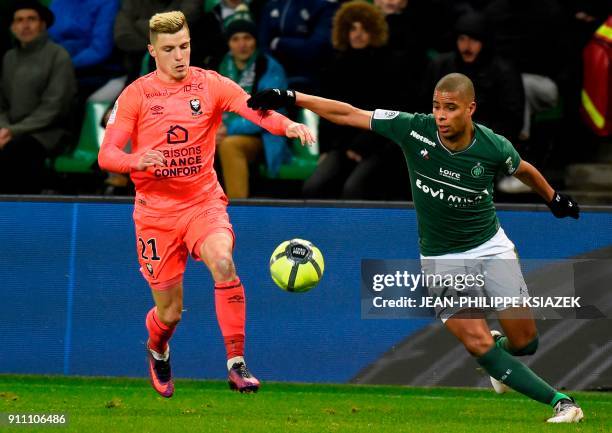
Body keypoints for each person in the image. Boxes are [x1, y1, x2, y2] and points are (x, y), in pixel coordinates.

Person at [246, 73, 584, 423]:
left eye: (450, 109)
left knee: (525, 343)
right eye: (436, 107)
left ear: (470, 109)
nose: (440, 116)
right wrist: (291, 96)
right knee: (476, 342)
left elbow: (524, 169)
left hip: (490, 247)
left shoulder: (493, 146)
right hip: (442, 258)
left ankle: (500, 362)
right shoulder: (413, 129)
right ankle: (561, 401)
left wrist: (554, 199)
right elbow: (349, 113)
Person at [97, 11, 314, 397]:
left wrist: (288, 125)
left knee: (224, 261)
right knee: (170, 313)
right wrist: (135, 160)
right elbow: (107, 154)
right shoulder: (136, 94)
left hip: (203, 202)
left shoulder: (210, 84)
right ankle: (157, 347)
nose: (179, 56)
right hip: (156, 213)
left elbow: (255, 108)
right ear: (152, 51)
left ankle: (236, 363)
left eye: (184, 46)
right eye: (169, 49)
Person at [304, 0, 408, 199]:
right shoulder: (334, 66)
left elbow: (390, 112)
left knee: (354, 189)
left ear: (374, 32)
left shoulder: (390, 65)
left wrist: (361, 145)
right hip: (341, 145)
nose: (357, 34)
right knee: (313, 187)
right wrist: (325, 149)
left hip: (378, 144)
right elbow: (325, 111)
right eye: (352, 29)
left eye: (364, 29)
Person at [0, 0, 77, 194]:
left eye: (31, 19)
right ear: (12, 26)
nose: (25, 25)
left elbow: (54, 107)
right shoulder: (9, 58)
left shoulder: (58, 55)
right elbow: (1, 104)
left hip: (48, 133)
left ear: (43, 25)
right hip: (11, 132)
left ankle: (20, 216)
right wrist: (4, 129)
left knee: (17, 152)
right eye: (19, 20)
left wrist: (11, 130)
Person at [216, 5, 291, 199]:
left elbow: (268, 113)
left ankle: (239, 212)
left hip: (263, 136)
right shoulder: (219, 66)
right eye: (236, 39)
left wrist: (227, 129)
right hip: (220, 131)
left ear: (255, 40)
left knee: (230, 145)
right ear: (228, 43)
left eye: (247, 38)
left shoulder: (269, 67)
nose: (242, 44)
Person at [423, 12, 524, 141]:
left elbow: (512, 120)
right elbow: (423, 105)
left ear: (484, 42)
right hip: (440, 138)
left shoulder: (504, 71)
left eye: (474, 40)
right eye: (462, 39)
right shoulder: (441, 65)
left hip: (485, 142)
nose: (467, 46)